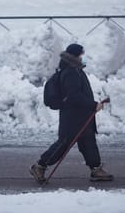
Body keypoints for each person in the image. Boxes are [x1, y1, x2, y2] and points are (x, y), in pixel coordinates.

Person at [29, 44, 113, 184]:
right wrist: (93, 105)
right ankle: (39, 166)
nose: (83, 57)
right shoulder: (71, 72)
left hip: (81, 115)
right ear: (75, 56)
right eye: (81, 54)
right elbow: (73, 96)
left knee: (88, 143)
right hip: (72, 117)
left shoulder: (75, 70)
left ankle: (96, 170)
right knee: (63, 144)